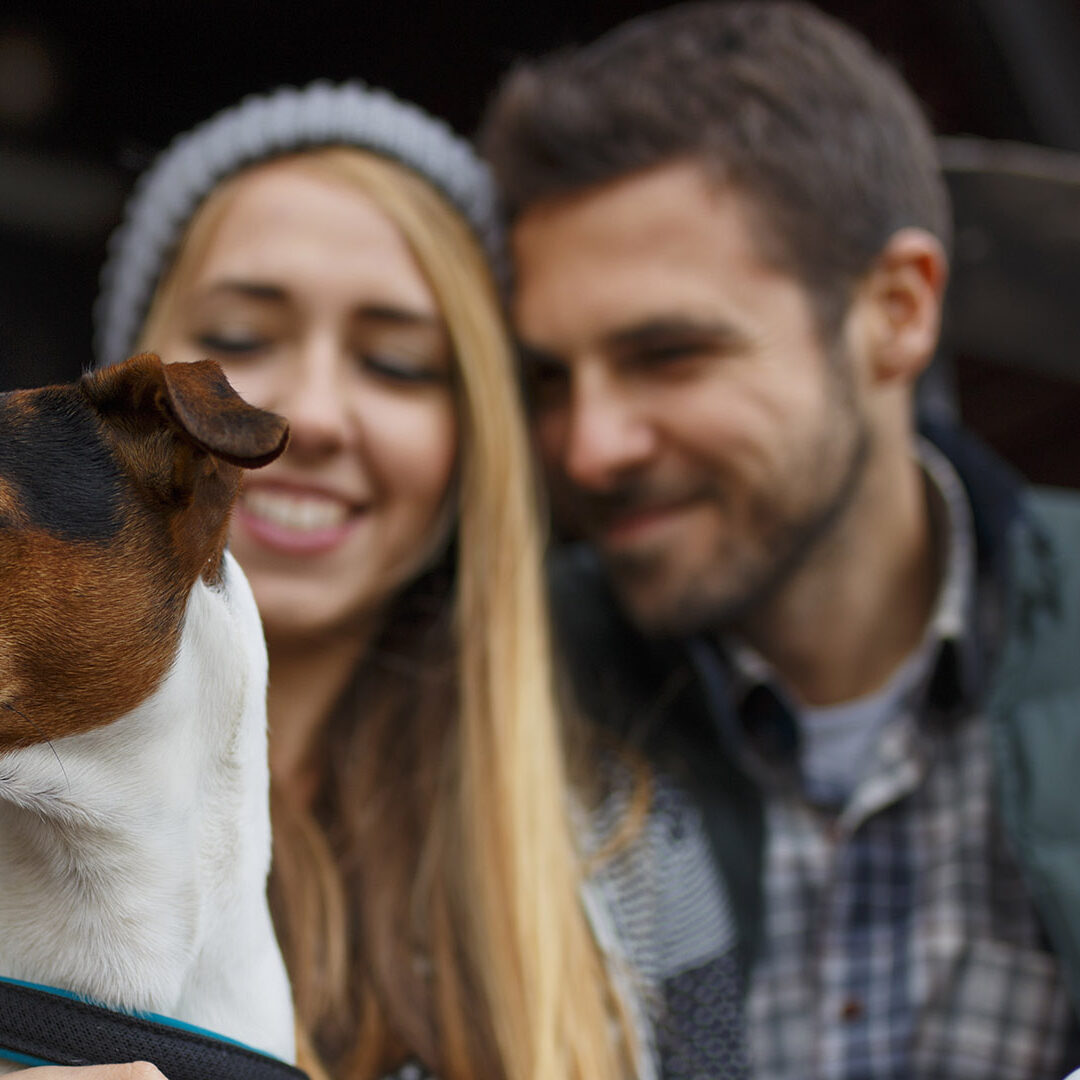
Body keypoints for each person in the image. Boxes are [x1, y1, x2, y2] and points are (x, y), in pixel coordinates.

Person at [479, 2, 1080, 1078]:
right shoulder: (496, 693)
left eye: (668, 353)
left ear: (896, 312)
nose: (589, 446)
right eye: (552, 379)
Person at [75, 80, 642, 1080]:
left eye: (397, 361)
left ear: (480, 443)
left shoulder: (624, 863)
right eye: (240, 341)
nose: (312, 414)